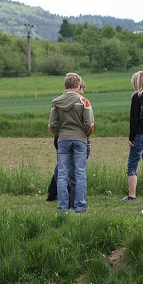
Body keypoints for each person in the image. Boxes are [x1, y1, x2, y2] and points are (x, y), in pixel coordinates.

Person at [49, 73, 94, 213]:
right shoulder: (83, 101)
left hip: (63, 140)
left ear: (66, 85)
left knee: (62, 174)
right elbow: (90, 124)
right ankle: (79, 206)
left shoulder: (56, 102)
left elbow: (52, 125)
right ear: (78, 85)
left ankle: (62, 207)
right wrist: (85, 135)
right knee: (80, 173)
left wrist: (60, 133)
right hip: (80, 139)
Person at [123, 71, 143, 201]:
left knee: (132, 165)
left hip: (139, 135)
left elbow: (134, 119)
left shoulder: (136, 97)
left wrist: (131, 138)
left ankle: (132, 195)